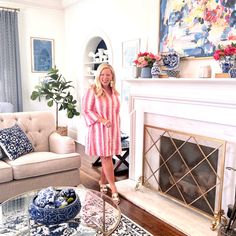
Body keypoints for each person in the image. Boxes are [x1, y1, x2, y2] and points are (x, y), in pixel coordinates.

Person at [82, 63, 121, 204]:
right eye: (102, 74)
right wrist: (102, 120)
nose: (105, 77)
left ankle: (102, 182)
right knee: (106, 157)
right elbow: (86, 110)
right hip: (99, 129)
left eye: (108, 74)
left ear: (112, 76)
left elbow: (115, 112)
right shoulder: (92, 90)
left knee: (108, 156)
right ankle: (114, 188)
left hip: (113, 129)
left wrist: (115, 126)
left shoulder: (114, 91)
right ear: (98, 75)